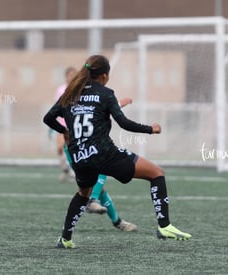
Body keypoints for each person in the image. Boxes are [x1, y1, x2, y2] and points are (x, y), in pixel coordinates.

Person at [43, 54, 191, 249]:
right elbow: (124, 123)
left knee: (83, 194)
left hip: (79, 156)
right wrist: (151, 129)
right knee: (157, 173)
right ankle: (164, 226)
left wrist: (64, 131)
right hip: (104, 154)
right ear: (104, 76)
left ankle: (65, 239)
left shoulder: (70, 94)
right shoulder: (105, 93)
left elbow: (48, 118)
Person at [54, 68, 137, 232]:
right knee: (97, 177)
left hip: (85, 146)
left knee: (98, 185)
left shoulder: (82, 95)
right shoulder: (68, 96)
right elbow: (65, 117)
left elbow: (94, 111)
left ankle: (116, 221)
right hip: (75, 150)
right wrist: (62, 132)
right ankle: (94, 204)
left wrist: (118, 104)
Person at [53, 67, 77, 182]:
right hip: (62, 123)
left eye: (74, 74)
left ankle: (74, 172)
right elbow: (57, 106)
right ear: (66, 76)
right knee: (59, 148)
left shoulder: (79, 89)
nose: (72, 76)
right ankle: (64, 169)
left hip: (74, 123)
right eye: (70, 74)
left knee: (72, 148)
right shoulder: (61, 89)